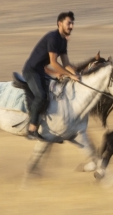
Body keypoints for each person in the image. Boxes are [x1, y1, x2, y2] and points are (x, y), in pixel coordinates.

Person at [22, 11, 80, 140]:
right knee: (41, 96)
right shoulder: (53, 37)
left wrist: (77, 75)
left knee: (55, 93)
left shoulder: (63, 41)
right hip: (31, 71)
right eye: (69, 23)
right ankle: (32, 129)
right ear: (60, 23)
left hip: (42, 71)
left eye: (72, 23)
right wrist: (70, 76)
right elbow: (54, 62)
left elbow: (66, 64)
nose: (71, 26)